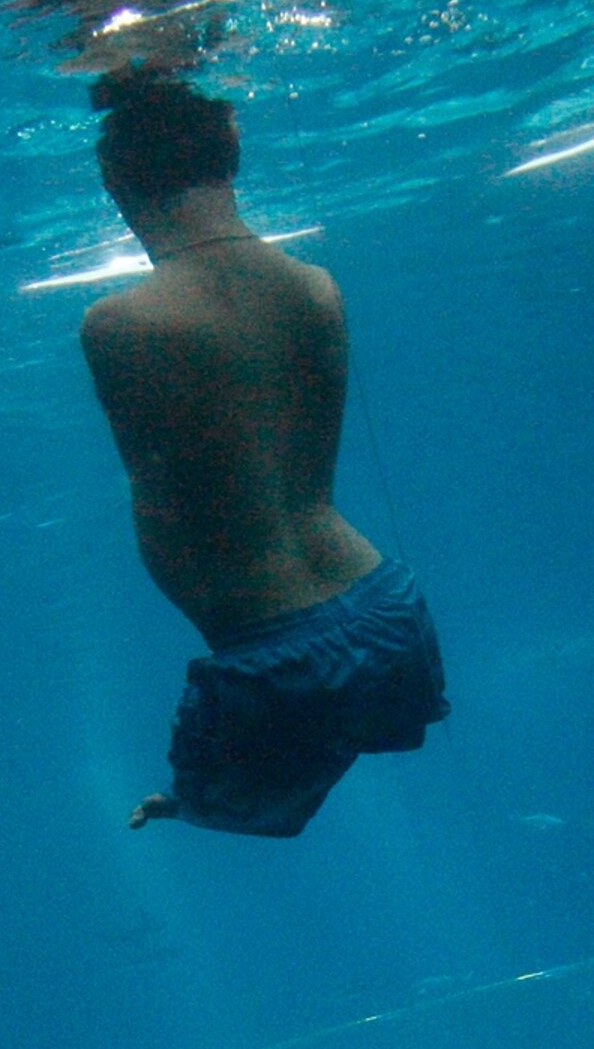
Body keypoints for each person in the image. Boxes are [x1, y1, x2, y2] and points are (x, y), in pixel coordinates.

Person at [79, 68, 448, 836]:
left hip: (271, 656)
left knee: (224, 807)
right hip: (387, 610)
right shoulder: (316, 286)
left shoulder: (121, 325)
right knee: (313, 745)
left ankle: (214, 797)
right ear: (231, 154)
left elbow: (165, 491)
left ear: (115, 181)